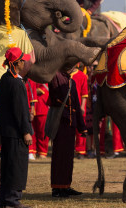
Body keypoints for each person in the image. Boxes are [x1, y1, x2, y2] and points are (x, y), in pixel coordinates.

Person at [0, 47, 33, 208]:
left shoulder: (5, 78)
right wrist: (26, 131)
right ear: (17, 63)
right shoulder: (16, 82)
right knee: (16, 166)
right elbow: (20, 110)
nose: (25, 62)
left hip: (6, 130)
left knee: (7, 166)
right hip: (16, 132)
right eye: (23, 60)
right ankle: (12, 200)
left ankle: (5, 199)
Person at [48, 68, 87, 198]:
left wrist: (82, 128)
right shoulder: (56, 76)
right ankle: (57, 188)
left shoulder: (72, 81)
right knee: (59, 156)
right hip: (60, 122)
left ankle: (66, 186)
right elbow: (54, 96)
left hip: (70, 124)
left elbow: (76, 104)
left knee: (68, 158)